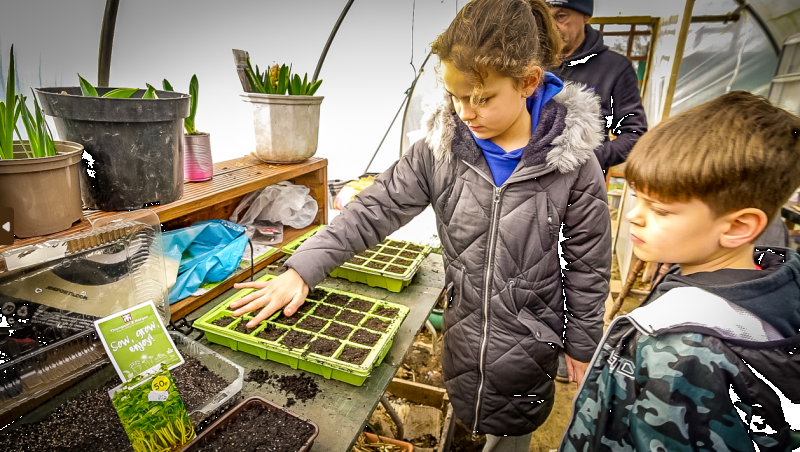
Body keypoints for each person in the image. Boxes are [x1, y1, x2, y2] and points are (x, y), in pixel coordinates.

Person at [229, 0, 611, 449]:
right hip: (465, 339)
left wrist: (582, 346)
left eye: (483, 98)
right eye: (456, 95)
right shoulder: (441, 149)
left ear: (528, 82)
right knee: (470, 415)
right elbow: (374, 208)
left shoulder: (572, 166)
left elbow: (588, 265)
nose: (466, 112)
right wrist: (302, 268)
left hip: (532, 349)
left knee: (511, 437)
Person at [560, 91, 800, 451]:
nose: (633, 215)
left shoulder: (685, 353)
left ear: (737, 227)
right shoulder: (775, 287)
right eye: (637, 197)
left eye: (661, 210)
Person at [546, 0, 648, 176]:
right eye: (545, 19)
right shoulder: (531, 63)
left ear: (585, 15)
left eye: (561, 16)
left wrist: (588, 161)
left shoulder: (615, 69)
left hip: (582, 189)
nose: (551, 28)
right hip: (528, 183)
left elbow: (634, 133)